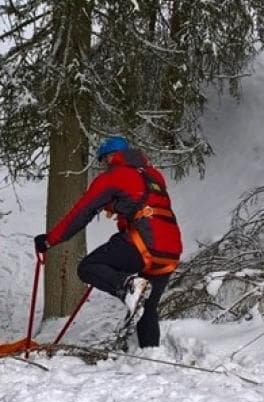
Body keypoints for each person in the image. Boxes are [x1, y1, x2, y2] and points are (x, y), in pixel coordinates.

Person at [33, 136, 182, 348]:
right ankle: (151, 357)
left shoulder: (114, 176)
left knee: (88, 267)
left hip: (143, 244)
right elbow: (141, 202)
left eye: (104, 161)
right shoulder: (154, 176)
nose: (104, 166)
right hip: (170, 250)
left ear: (111, 157)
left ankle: (128, 285)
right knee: (147, 308)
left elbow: (81, 213)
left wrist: (49, 240)